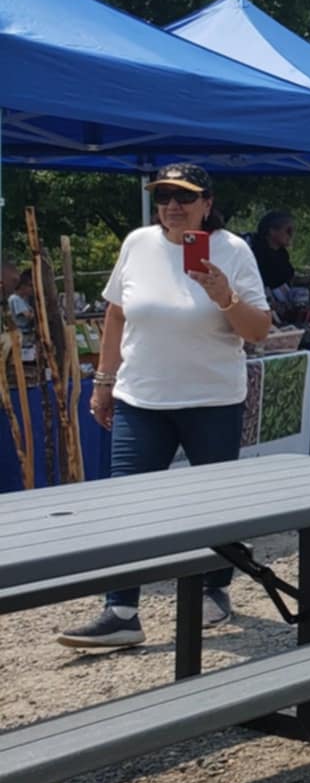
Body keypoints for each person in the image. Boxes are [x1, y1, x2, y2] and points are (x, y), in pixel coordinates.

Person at [60, 163, 272, 650]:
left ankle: (215, 590)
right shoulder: (137, 243)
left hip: (212, 399)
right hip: (142, 397)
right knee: (128, 502)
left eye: (184, 197)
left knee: (214, 506)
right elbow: (116, 313)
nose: (172, 207)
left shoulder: (233, 251)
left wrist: (224, 297)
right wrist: (103, 381)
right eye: (163, 197)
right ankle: (120, 611)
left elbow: (258, 330)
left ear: (207, 204)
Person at [249, 210, 295, 295]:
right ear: (272, 231)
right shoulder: (255, 254)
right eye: (288, 231)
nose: (291, 235)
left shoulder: (282, 255)